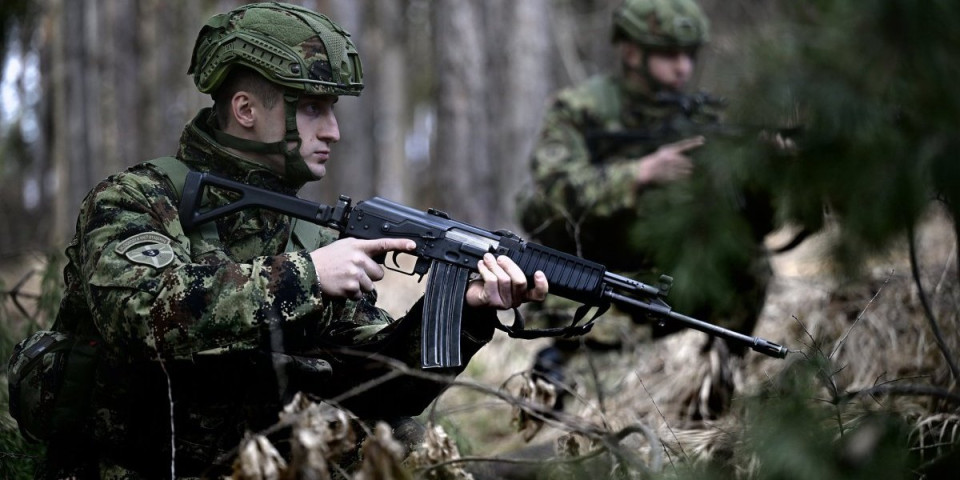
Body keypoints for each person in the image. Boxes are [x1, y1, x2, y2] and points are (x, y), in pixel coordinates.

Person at [38, 3, 548, 477]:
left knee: (400, 435)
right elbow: (140, 313)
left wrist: (466, 312)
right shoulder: (137, 197)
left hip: (266, 461)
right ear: (245, 109)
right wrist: (307, 275)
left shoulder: (309, 230)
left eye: (333, 111)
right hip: (133, 464)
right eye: (312, 109)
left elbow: (375, 385)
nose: (333, 132)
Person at [517, 0, 776, 417]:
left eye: (689, 55)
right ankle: (564, 372)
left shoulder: (699, 116)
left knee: (751, 265)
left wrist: (764, 175)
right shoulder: (582, 108)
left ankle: (713, 387)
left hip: (671, 276)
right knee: (573, 401)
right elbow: (548, 192)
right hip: (592, 281)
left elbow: (753, 225)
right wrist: (639, 173)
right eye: (670, 54)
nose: (683, 68)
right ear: (633, 52)